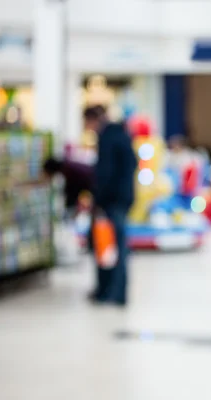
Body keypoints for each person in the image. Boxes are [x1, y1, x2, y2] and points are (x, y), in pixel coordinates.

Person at [85, 105, 138, 306]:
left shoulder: (107, 138)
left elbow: (104, 173)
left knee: (108, 246)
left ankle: (109, 292)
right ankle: (116, 292)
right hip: (123, 199)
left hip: (111, 201)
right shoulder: (122, 134)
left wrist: (98, 199)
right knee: (117, 246)